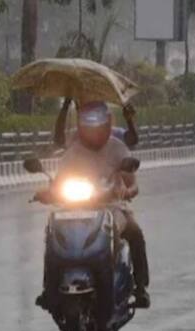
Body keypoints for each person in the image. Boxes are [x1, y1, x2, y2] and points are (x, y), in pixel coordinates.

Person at [35, 100, 151, 309]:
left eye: (98, 120)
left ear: (108, 122)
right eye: (88, 120)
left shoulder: (118, 147)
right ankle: (49, 288)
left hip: (112, 206)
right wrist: (48, 193)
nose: (94, 126)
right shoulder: (73, 150)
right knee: (51, 233)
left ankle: (140, 286)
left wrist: (126, 191)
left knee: (135, 232)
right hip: (75, 208)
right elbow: (60, 180)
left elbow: (133, 184)